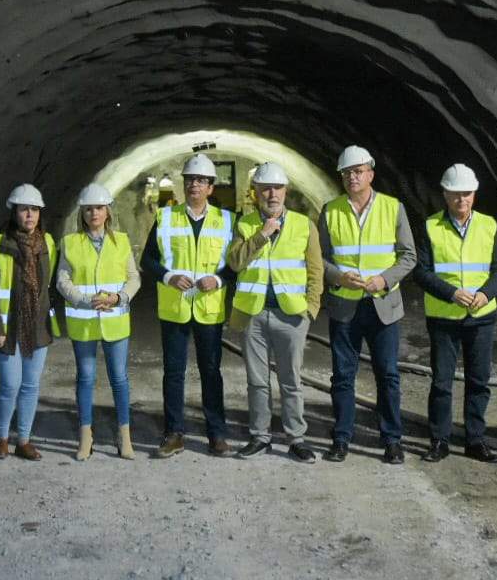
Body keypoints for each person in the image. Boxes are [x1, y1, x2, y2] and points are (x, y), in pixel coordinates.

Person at [319, 145, 417, 464]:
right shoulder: (330, 210)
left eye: (358, 171)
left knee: (387, 374)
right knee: (342, 376)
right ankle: (341, 437)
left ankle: (391, 439)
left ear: (371, 174)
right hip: (345, 305)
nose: (352, 177)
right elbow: (319, 258)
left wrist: (384, 280)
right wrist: (338, 276)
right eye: (347, 173)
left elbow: (409, 256)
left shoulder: (392, 208)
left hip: (382, 305)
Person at [410, 164, 497, 464]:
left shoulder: (489, 225)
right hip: (444, 317)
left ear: (474, 194)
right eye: (455, 194)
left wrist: (486, 294)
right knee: (442, 382)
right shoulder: (430, 226)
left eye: (466, 194)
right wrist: (451, 293)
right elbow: (421, 271)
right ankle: (439, 440)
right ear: (445, 194)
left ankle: (475, 440)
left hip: (481, 317)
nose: (461, 199)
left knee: (479, 381)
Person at [226, 162, 324, 462]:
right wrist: (262, 235)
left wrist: (311, 309)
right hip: (253, 314)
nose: (272, 194)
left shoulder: (304, 224)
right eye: (265, 188)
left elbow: (315, 270)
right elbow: (235, 263)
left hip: (291, 315)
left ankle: (296, 438)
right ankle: (260, 436)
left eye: (277, 188)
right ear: (255, 192)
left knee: (291, 380)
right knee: (257, 381)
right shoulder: (244, 224)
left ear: (286, 191)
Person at [140, 152, 235, 458]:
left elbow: (236, 264)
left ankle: (216, 434)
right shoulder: (166, 217)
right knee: (174, 372)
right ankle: (174, 433)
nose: (194, 184)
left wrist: (218, 280)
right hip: (176, 307)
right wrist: (168, 276)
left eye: (201, 180)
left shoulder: (227, 221)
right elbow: (147, 260)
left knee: (211, 372)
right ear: (184, 185)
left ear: (211, 187)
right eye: (190, 179)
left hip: (209, 308)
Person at [57, 183, 140, 460]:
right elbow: (62, 280)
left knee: (119, 378)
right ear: (82, 213)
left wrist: (119, 298)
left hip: (115, 320)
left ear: (108, 212)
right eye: (89, 209)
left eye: (99, 208)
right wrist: (83, 300)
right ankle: (86, 436)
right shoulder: (70, 243)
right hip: (84, 321)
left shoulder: (121, 241)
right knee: (86, 377)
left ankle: (124, 436)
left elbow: (134, 278)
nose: (94, 213)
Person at [0, 184, 59, 461]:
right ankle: (2, 438)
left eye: (35, 209)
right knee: (10, 385)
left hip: (37, 328)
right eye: (24, 209)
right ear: (14, 212)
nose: (30, 215)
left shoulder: (48, 244)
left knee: (30, 386)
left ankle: (23, 440)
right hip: (7, 328)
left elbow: (48, 286)